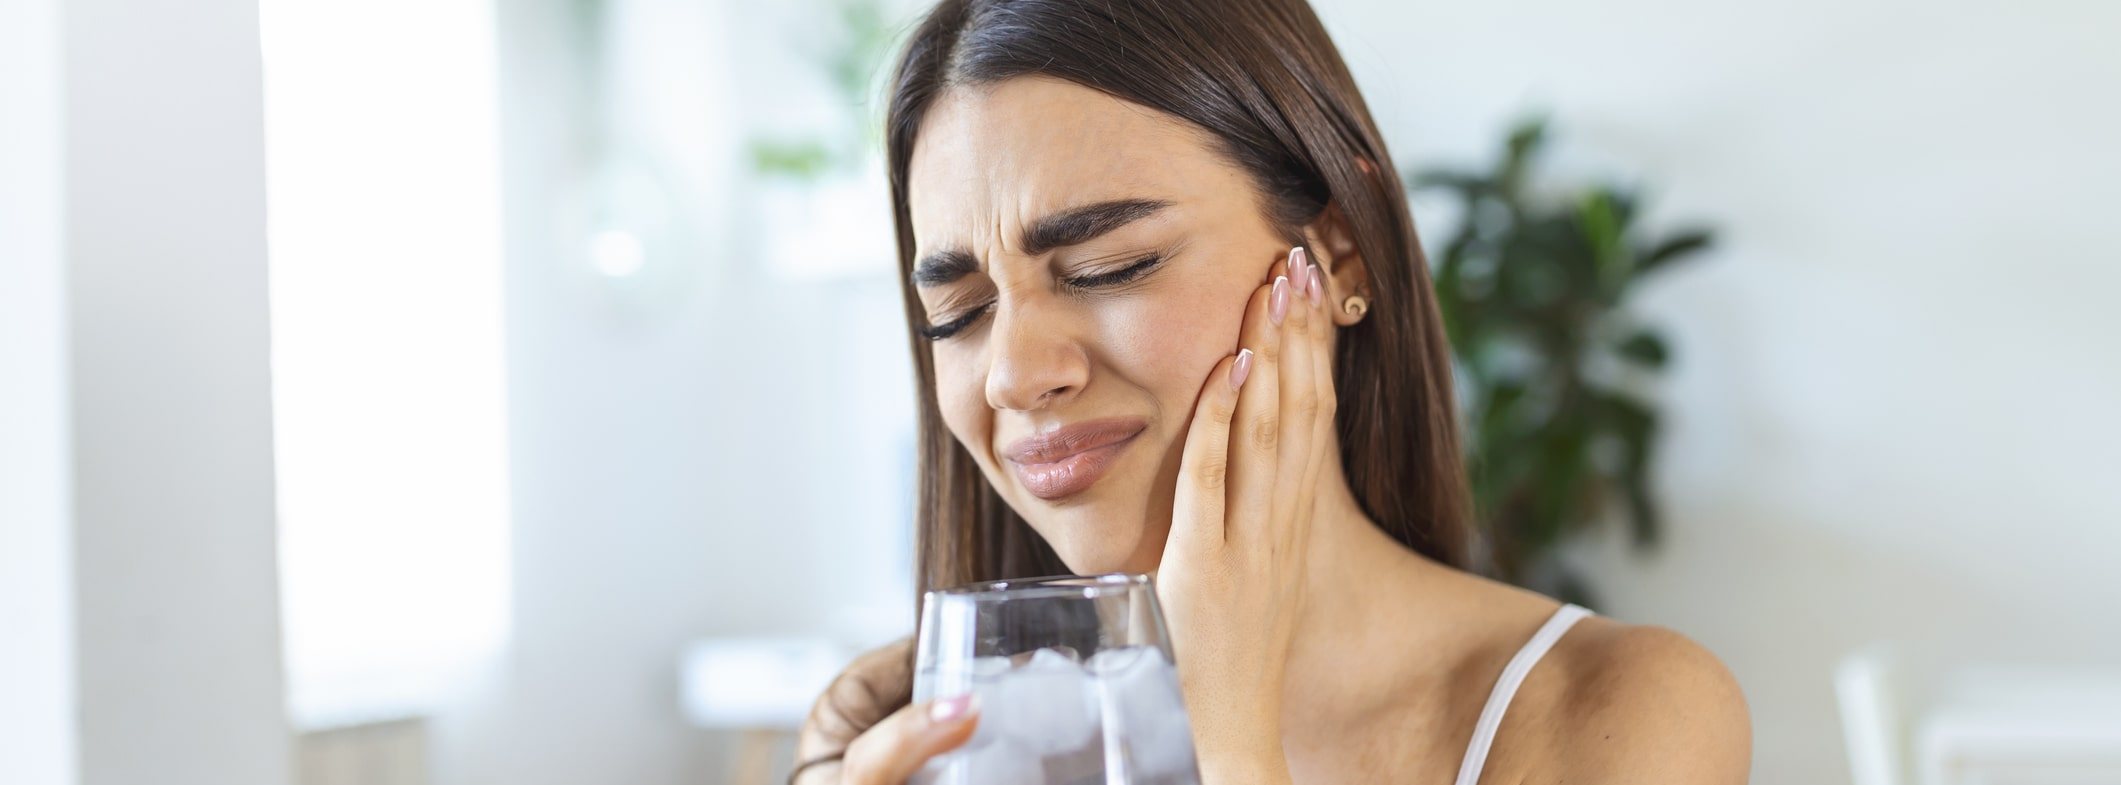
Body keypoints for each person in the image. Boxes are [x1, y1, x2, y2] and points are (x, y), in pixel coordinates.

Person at [793, 0, 1751, 782]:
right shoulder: (900, 729)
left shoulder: (1613, 715)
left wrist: (1225, 730)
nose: (1011, 372)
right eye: (957, 313)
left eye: (1107, 265)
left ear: (1336, 249)